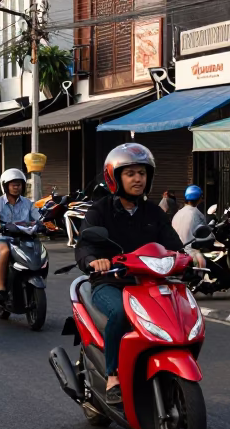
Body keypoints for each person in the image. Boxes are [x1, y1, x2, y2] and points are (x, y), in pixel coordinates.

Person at [75, 143, 184, 406]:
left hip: (148, 283)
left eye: (142, 173)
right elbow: (84, 246)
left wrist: (190, 257)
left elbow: (173, 245)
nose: (138, 179)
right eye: (130, 173)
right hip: (110, 283)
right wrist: (94, 261)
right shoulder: (100, 210)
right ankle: (113, 375)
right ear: (115, 177)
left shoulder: (153, 212)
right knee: (121, 314)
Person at [0, 169, 38, 303]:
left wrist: (45, 224)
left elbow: (38, 218)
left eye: (19, 185)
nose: (16, 187)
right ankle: (2, 289)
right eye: (13, 185)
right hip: (1, 237)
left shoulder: (28, 203)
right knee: (5, 251)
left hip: (23, 237)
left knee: (37, 248)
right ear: (6, 186)